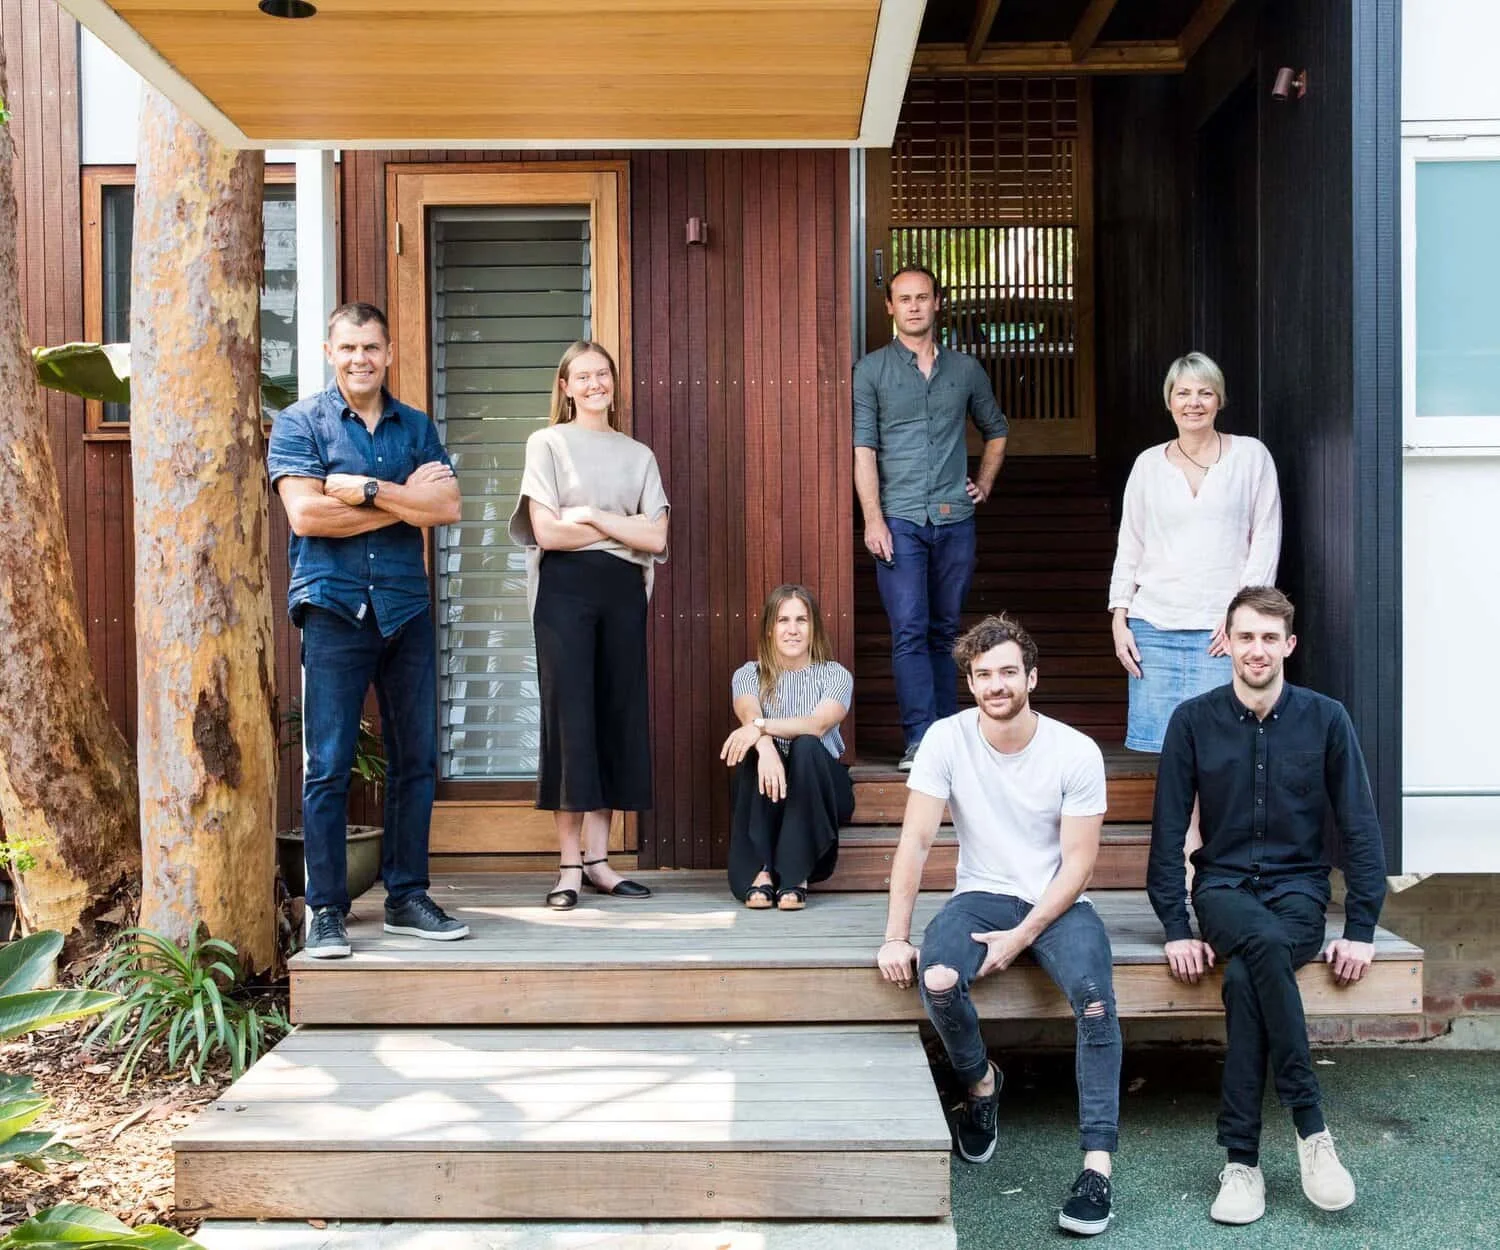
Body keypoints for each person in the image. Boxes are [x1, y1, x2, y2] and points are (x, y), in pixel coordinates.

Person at [1147, 586, 1387, 1226]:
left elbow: (1360, 828)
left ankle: (1242, 1163)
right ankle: (1312, 1129)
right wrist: (1176, 923)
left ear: (1289, 645)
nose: (1257, 649)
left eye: (1269, 638)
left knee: (1256, 967)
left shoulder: (1326, 718)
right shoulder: (1192, 721)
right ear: (1227, 642)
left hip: (1301, 891)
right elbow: (1168, 832)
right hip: (1222, 889)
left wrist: (1361, 926)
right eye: (1245, 636)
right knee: (1261, 944)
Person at [877, 614, 1120, 1238]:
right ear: (970, 682)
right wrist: (895, 934)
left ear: (1031, 678)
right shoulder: (945, 740)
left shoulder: (1074, 751)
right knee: (934, 977)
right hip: (980, 895)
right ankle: (982, 1085)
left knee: (1095, 1005)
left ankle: (1097, 1166)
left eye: (1007, 672)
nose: (995, 684)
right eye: (983, 675)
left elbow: (1080, 865)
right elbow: (916, 841)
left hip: (1059, 904)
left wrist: (1024, 936)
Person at [268, 301, 468, 959]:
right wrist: (404, 499)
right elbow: (305, 517)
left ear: (388, 352)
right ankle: (326, 909)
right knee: (326, 766)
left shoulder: (415, 426)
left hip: (405, 610)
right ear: (331, 352)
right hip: (333, 609)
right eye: (349, 347)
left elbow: (447, 506)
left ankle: (407, 897)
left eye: (372, 347)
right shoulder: (300, 423)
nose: (361, 359)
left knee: (418, 761)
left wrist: (366, 491)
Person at [508, 340, 669, 910]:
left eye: (603, 374)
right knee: (570, 721)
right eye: (583, 376)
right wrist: (621, 530)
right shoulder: (547, 443)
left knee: (614, 719)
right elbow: (548, 533)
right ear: (566, 387)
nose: (595, 383)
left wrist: (595, 517)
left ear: (613, 382)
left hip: (624, 597)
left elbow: (657, 538)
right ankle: (569, 868)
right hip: (564, 594)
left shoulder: (638, 454)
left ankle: (601, 863)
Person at [854, 265, 1008, 771]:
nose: (914, 306)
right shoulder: (871, 371)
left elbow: (996, 430)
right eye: (905, 298)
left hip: (954, 517)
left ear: (938, 303)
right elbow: (864, 450)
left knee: (947, 631)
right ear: (890, 308)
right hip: (899, 519)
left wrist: (983, 483)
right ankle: (921, 740)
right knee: (909, 630)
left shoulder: (965, 370)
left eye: (923, 297)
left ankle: (949, 737)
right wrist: (872, 520)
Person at [1108, 352, 1281, 755]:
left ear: (1219, 399)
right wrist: (1119, 618)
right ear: (1169, 401)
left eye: (1205, 392)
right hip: (1153, 625)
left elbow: (1266, 540)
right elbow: (1130, 544)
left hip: (1220, 629)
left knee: (1223, 748)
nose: (1194, 402)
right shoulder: (1148, 464)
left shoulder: (1251, 456)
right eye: (1183, 393)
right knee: (1166, 752)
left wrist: (1241, 614)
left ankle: (1214, 824)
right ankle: (1183, 824)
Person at [720, 585, 854, 910]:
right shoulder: (749, 674)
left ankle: (797, 873)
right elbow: (749, 711)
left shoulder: (835, 675)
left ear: (813, 628)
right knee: (755, 754)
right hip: (769, 791)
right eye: (783, 620)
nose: (792, 630)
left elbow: (817, 725)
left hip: (821, 786)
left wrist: (760, 728)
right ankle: (763, 871)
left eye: (801, 620)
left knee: (807, 746)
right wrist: (764, 744)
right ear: (770, 629)